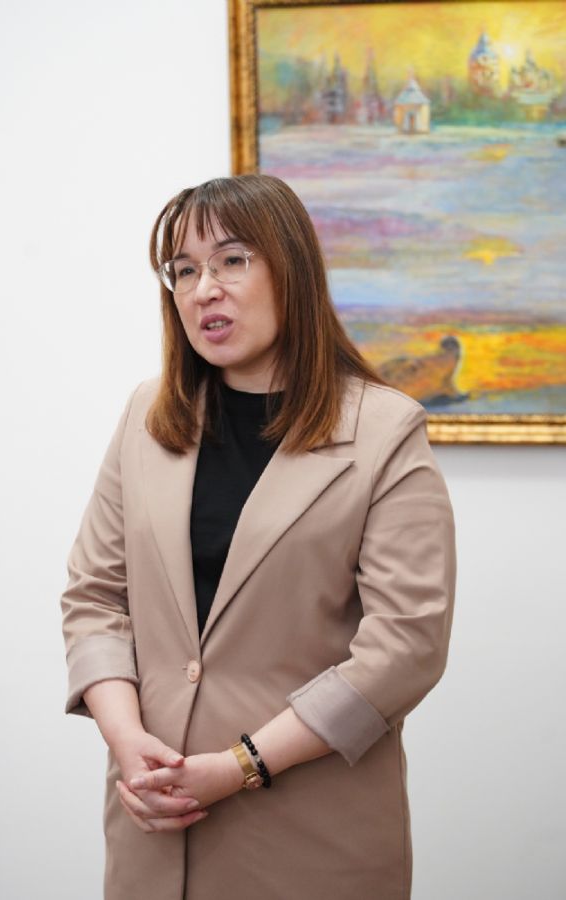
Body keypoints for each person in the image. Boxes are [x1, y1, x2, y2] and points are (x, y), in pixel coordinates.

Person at [61, 173, 456, 900]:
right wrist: (126, 738)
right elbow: (94, 597)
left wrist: (241, 763)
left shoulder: (384, 429)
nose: (203, 289)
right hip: (153, 827)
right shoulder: (147, 415)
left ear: (291, 270)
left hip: (312, 837)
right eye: (184, 270)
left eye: (232, 260)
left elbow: (407, 646)